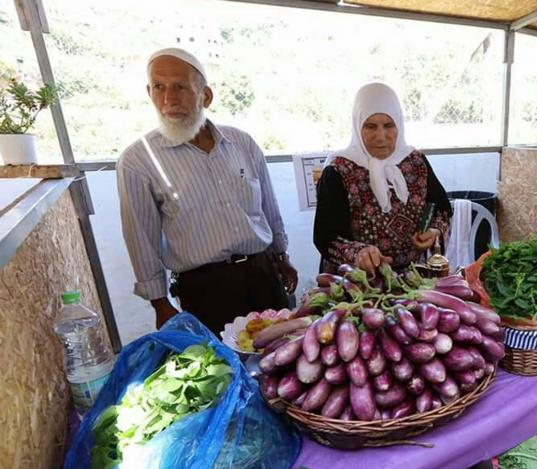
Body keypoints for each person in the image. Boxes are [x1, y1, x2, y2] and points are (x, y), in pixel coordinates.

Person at [117, 48, 297, 334]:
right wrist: (160, 304)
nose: (168, 99)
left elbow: (268, 208)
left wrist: (281, 257)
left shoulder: (242, 144)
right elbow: (141, 239)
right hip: (204, 288)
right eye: (158, 87)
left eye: (180, 87)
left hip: (263, 274)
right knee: (223, 370)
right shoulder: (138, 160)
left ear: (206, 96)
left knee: (283, 357)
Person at [314, 83, 451, 274]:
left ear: (399, 125)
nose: (381, 136)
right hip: (358, 283)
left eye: (388, 125)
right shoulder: (339, 170)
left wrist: (435, 231)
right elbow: (326, 236)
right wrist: (359, 253)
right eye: (370, 126)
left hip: (412, 278)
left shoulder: (416, 162)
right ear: (357, 125)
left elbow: (441, 208)